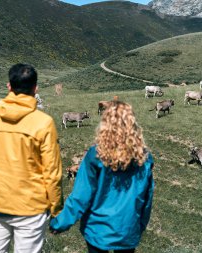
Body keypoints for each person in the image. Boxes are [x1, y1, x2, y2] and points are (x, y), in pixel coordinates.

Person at [0, 63, 63, 253]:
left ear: (9, 86)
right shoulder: (43, 123)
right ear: (35, 88)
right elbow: (52, 172)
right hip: (32, 207)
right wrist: (56, 209)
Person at [50, 101, 155, 253]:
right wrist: (140, 225)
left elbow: (81, 196)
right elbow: (147, 199)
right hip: (128, 228)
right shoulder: (144, 159)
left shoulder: (95, 156)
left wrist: (59, 223)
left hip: (97, 230)